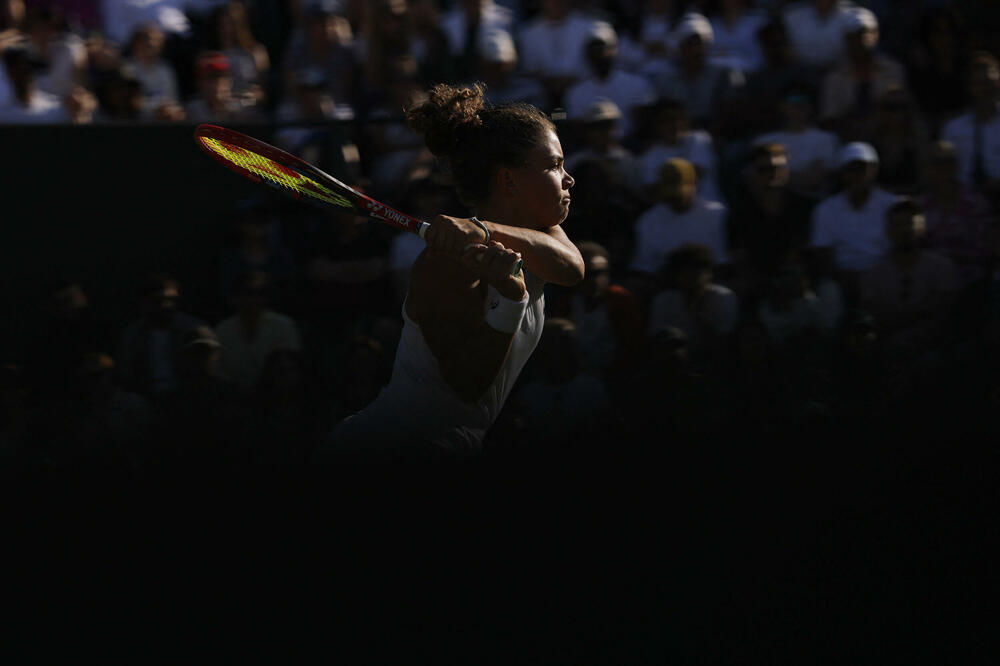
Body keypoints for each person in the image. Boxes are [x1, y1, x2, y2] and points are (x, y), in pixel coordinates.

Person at [314, 82, 584, 461]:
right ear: (508, 181)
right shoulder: (444, 264)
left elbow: (573, 269)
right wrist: (510, 301)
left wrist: (487, 230)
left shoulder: (542, 232)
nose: (568, 178)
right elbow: (467, 384)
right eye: (555, 165)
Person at [859, 197, 960, 366]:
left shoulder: (942, 266)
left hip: (932, 348)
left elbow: (945, 308)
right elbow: (872, 310)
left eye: (910, 224)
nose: (904, 230)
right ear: (888, 230)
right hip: (887, 345)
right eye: (897, 225)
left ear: (921, 228)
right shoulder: (874, 273)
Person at [627, 157, 729, 308]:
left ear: (694, 184)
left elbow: (723, 263)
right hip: (666, 288)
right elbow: (644, 269)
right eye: (670, 195)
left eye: (679, 193)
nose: (675, 200)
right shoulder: (647, 220)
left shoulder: (717, 214)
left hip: (710, 285)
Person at [807, 141, 898, 305]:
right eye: (851, 169)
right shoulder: (826, 209)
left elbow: (898, 250)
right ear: (843, 173)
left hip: (885, 276)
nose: (857, 175)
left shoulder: (892, 205)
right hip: (840, 279)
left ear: (874, 170)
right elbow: (822, 255)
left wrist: (874, 277)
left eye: (862, 168)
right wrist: (843, 279)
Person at [562, 22, 656, 144]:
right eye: (594, 48)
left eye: (603, 48)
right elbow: (579, 130)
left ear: (615, 50)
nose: (599, 53)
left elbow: (643, 126)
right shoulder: (575, 92)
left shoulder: (638, 84)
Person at [940, 51, 1000, 210]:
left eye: (990, 82)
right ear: (970, 87)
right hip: (963, 203)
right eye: (979, 83)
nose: (985, 89)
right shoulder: (953, 128)